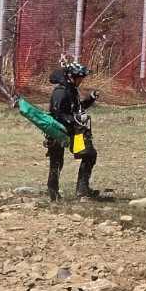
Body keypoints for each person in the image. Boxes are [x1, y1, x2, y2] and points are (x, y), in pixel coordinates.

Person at [46, 62, 100, 201]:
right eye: (79, 77)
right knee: (57, 161)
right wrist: (73, 118)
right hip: (57, 131)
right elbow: (57, 113)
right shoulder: (61, 91)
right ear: (71, 77)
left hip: (73, 132)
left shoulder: (71, 89)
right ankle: (53, 192)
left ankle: (83, 190)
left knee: (89, 155)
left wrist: (91, 99)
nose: (81, 80)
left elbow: (77, 107)